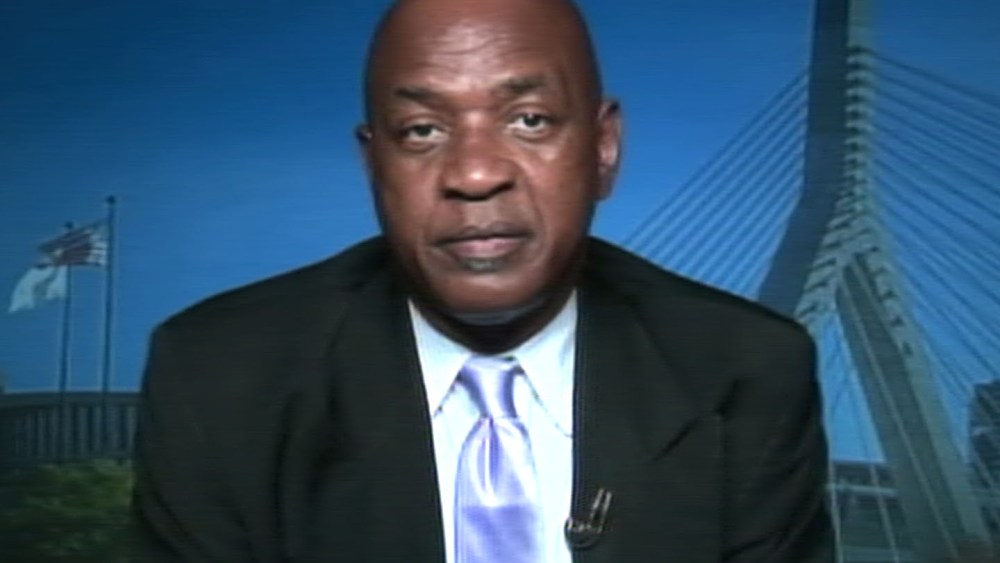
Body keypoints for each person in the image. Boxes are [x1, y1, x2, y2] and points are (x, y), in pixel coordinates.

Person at [130, 0, 833, 561]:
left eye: (528, 120)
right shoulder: (217, 376)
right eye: (421, 131)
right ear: (373, 165)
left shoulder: (747, 370)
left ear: (603, 148)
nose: (473, 174)